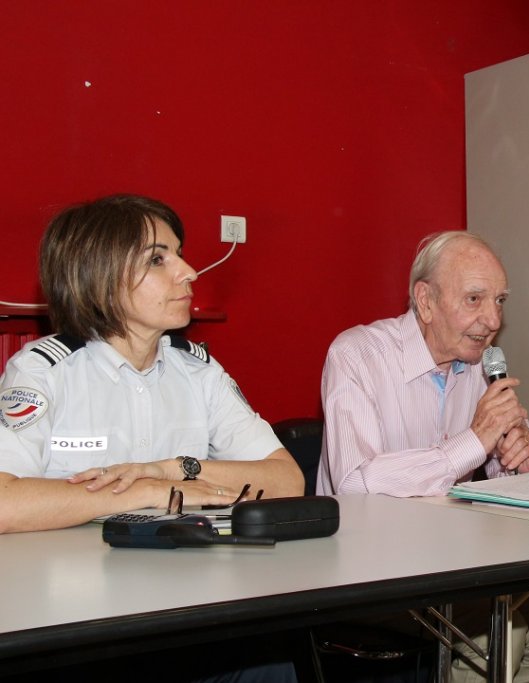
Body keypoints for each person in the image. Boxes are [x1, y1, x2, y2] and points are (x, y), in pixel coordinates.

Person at [0, 193, 304, 682]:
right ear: (98, 274)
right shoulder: (44, 372)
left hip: (188, 605)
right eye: (158, 259)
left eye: (179, 253)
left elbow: (286, 480)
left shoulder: (197, 370)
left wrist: (175, 470)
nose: (188, 271)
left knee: (266, 657)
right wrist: (142, 492)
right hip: (78, 617)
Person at [317, 230, 529, 683]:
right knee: (506, 634)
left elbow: (519, 473)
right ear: (424, 301)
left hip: (455, 563)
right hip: (368, 571)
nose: (492, 319)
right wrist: (474, 441)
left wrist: (525, 461)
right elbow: (355, 483)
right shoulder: (357, 355)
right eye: (474, 299)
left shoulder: (481, 366)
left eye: (499, 300)